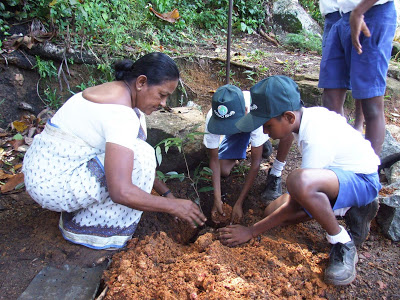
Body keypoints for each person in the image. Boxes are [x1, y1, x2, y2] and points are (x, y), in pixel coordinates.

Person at [22, 52, 206, 250]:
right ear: (141, 82)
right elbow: (121, 191)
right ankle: (91, 231)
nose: (163, 104)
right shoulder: (121, 115)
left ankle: (81, 214)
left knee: (138, 154)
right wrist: (175, 206)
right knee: (141, 155)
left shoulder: (118, 96)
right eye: (162, 95)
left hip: (45, 173)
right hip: (52, 186)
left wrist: (168, 194)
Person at [217, 76, 381, 286]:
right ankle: (348, 208)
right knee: (272, 211)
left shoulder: (315, 136)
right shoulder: (304, 119)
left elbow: (299, 197)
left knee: (297, 181)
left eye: (267, 125)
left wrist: (251, 231)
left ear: (288, 117)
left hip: (362, 181)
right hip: (336, 178)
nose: (265, 132)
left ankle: (342, 242)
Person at [319, 0, 397, 155]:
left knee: (371, 102)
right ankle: (339, 164)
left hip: (371, 12)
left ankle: (368, 174)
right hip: (337, 13)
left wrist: (359, 11)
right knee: (330, 98)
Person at [204, 84, 292, 222]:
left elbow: (255, 163)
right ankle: (258, 141)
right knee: (224, 170)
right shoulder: (213, 119)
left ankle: (273, 165)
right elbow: (214, 160)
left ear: (245, 111)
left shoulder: (256, 112)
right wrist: (217, 199)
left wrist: (239, 202)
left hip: (248, 124)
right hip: (237, 126)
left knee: (285, 132)